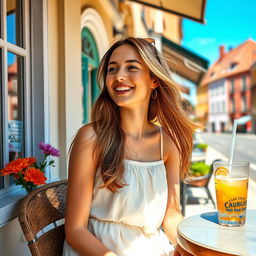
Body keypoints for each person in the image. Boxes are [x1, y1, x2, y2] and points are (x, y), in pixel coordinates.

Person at [63, 37, 196, 256]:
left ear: (154, 79)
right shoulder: (91, 138)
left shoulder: (168, 143)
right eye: (112, 69)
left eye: (131, 67)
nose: (119, 77)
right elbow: (75, 230)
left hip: (151, 247)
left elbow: (171, 215)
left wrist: (186, 248)